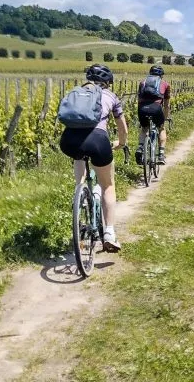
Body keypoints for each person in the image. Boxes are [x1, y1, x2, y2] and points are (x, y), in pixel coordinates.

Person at [59, 64, 128, 253]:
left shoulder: (75, 93)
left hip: (69, 140)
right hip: (98, 140)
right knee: (108, 185)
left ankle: (80, 195)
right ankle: (109, 234)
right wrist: (121, 143)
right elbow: (122, 128)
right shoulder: (111, 96)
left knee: (79, 156)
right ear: (107, 82)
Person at [135, 65, 171, 165]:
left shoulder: (143, 83)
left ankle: (140, 147)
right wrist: (165, 117)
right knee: (161, 129)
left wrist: (140, 115)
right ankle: (161, 155)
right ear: (162, 75)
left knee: (144, 128)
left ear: (150, 73)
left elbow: (139, 100)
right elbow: (167, 105)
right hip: (156, 108)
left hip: (142, 108)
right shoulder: (165, 84)